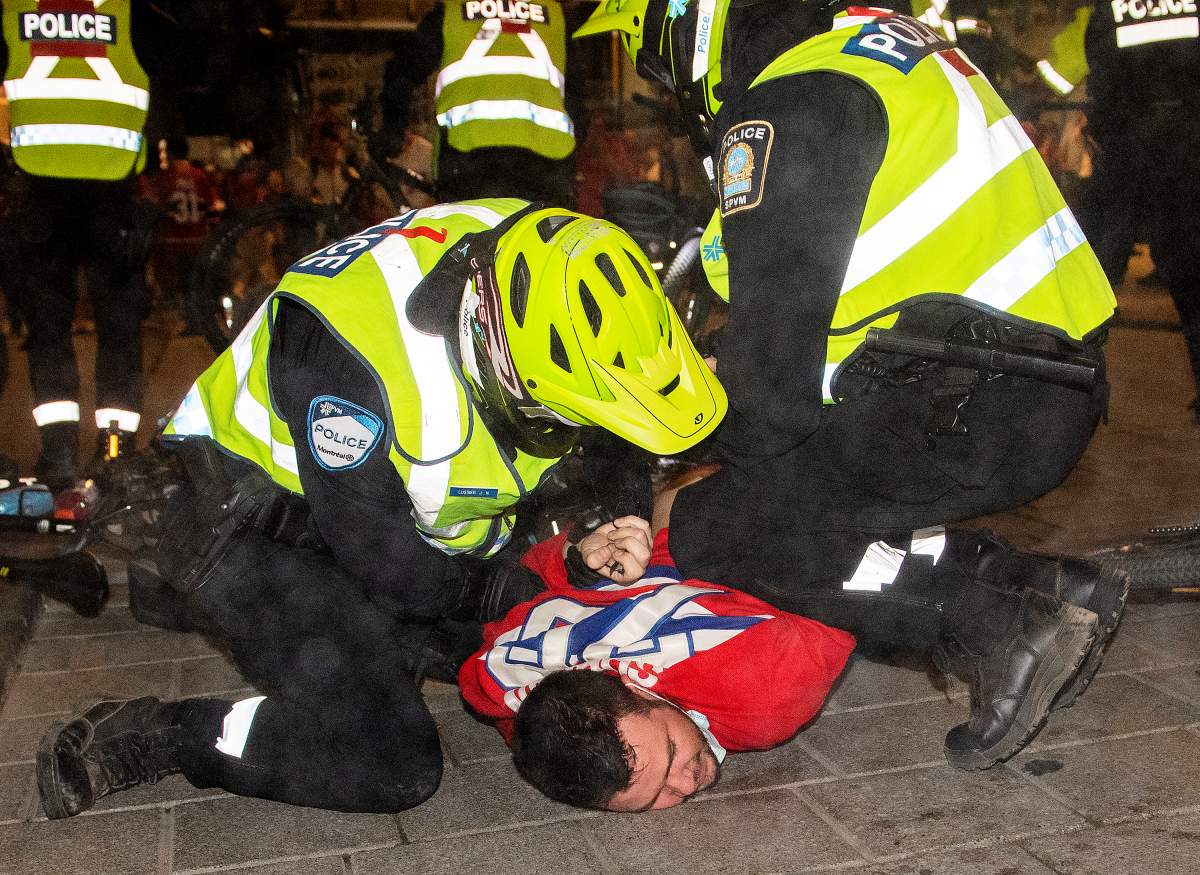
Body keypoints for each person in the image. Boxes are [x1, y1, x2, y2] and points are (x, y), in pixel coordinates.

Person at [35, 198, 727, 818]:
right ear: (499, 358)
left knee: (535, 637)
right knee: (389, 757)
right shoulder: (355, 367)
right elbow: (390, 563)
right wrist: (510, 587)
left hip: (389, 528)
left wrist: (595, 533)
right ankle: (159, 733)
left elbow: (607, 446)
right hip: (245, 521)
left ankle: (382, 643)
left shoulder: (550, 259)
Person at [574, 0, 1128, 769]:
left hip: (976, 405)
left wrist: (660, 458)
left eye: (659, 61)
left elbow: (769, 407)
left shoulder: (786, 105)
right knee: (812, 478)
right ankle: (1041, 584)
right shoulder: (872, 45)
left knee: (720, 522)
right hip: (1046, 381)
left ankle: (991, 620)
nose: (668, 85)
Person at [459, 512, 857, 810]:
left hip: (703, 523)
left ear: (637, 687)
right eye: (655, 798)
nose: (685, 786)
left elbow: (846, 579)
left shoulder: (764, 697)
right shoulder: (517, 709)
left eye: (671, 753)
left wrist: (577, 556)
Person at [2, 0, 171, 484]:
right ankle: (116, 453)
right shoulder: (131, 9)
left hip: (40, 191)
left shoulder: (16, 7)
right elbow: (166, 85)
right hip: (113, 192)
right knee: (119, 329)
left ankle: (58, 454)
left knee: (49, 329)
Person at [380, 0, 586, 204]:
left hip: (468, 162)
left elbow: (402, 75)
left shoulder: (451, 13)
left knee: (470, 234)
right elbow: (576, 99)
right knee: (544, 235)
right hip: (547, 166)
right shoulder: (557, 17)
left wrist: (392, 129)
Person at [139, 135, 222, 320]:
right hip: (198, 240)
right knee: (195, 282)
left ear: (171, 152)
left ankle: (184, 318)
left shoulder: (166, 177)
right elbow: (211, 209)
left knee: (178, 284)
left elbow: (155, 208)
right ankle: (196, 318)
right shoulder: (200, 176)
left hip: (173, 242)